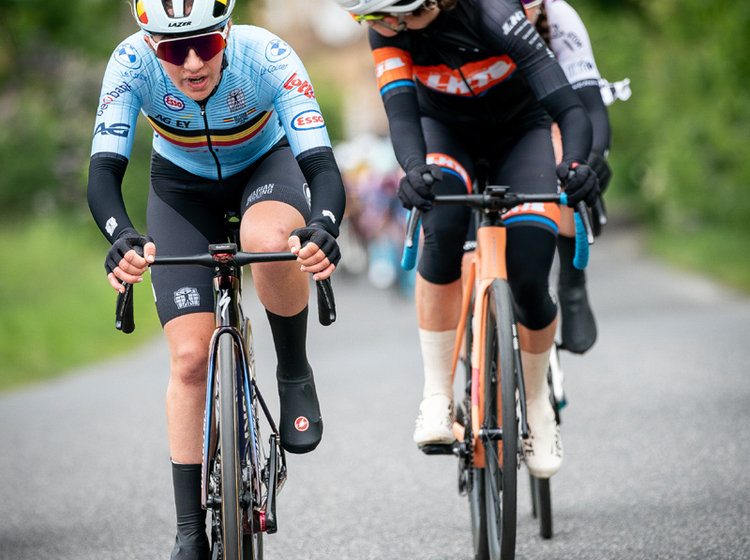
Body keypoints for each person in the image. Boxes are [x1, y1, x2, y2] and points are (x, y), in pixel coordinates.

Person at [87, 1, 345, 557]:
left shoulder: (267, 55)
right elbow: (103, 173)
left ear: (227, 32)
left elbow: (321, 165)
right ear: (152, 45)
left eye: (206, 44)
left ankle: (293, 369)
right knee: (189, 358)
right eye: (174, 50)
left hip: (266, 169)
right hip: (180, 188)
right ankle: (188, 532)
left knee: (269, 241)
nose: (192, 63)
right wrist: (121, 237)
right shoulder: (130, 63)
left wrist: (323, 225)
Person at [335, 0, 599, 478]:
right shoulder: (388, 27)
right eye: (374, 20)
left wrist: (576, 164)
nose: (387, 28)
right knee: (441, 228)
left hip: (520, 133)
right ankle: (436, 395)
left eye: (395, 17)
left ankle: (537, 404)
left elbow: (568, 108)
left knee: (529, 270)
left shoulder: (492, 13)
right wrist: (413, 170)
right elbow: (402, 115)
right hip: (445, 132)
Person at [523, 0, 613, 354]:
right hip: (490, 124)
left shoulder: (559, 17)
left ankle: (572, 282)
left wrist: (592, 159)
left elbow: (591, 106)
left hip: (552, 118)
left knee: (566, 159)